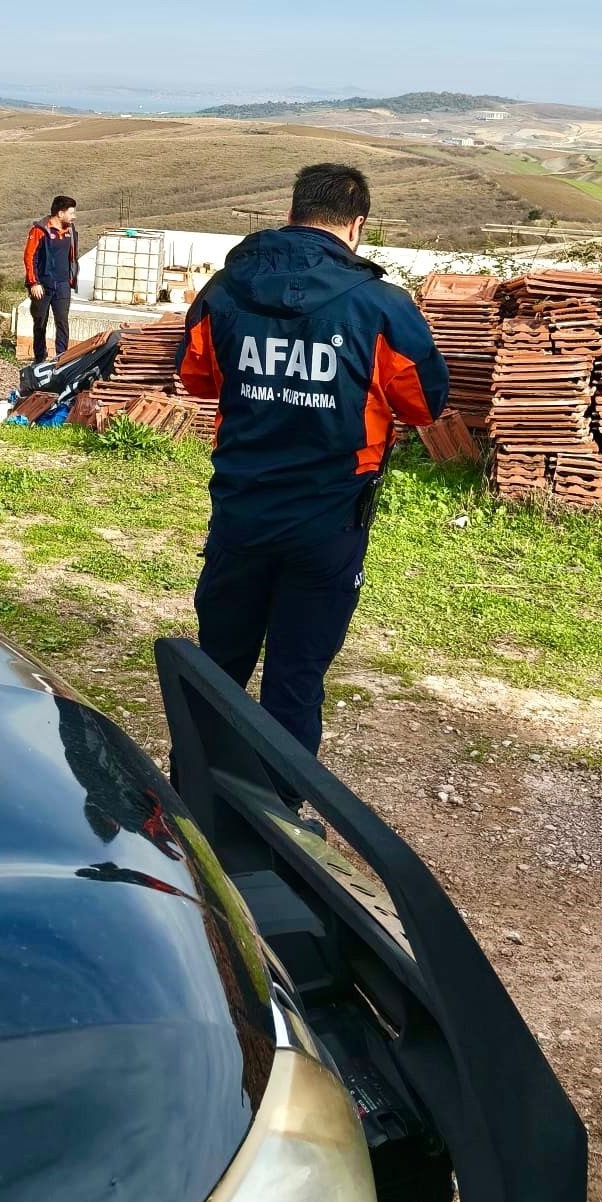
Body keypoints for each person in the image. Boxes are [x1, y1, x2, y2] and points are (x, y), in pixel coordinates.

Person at [177, 162, 448, 760]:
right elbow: (424, 404)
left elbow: (196, 378)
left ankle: (191, 794)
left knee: (217, 664)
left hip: (241, 512)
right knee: (296, 679)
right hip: (329, 520)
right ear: (356, 226)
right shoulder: (383, 306)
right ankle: (278, 807)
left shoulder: (224, 291)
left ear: (292, 214)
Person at [23, 194, 80, 364]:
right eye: (71, 213)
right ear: (60, 213)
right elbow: (29, 257)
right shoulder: (39, 231)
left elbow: (72, 256)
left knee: (62, 321)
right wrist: (33, 283)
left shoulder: (71, 231)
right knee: (40, 322)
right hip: (42, 285)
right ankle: (40, 358)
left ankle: (61, 358)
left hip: (63, 284)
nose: (74, 217)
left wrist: (71, 278)